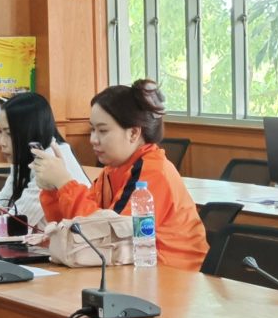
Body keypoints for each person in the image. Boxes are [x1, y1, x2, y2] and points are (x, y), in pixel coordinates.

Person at [31, 79, 209, 271]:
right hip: (133, 271)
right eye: (92, 129)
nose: (93, 139)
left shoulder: (153, 172)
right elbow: (73, 228)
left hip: (173, 275)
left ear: (133, 133)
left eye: (102, 130)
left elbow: (110, 235)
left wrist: (65, 183)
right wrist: (53, 191)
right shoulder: (112, 170)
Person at [0, 92, 87, 230]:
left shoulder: (50, 160)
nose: (2, 142)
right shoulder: (28, 155)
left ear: (30, 131)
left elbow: (18, 223)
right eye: (0, 131)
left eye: (9, 133)